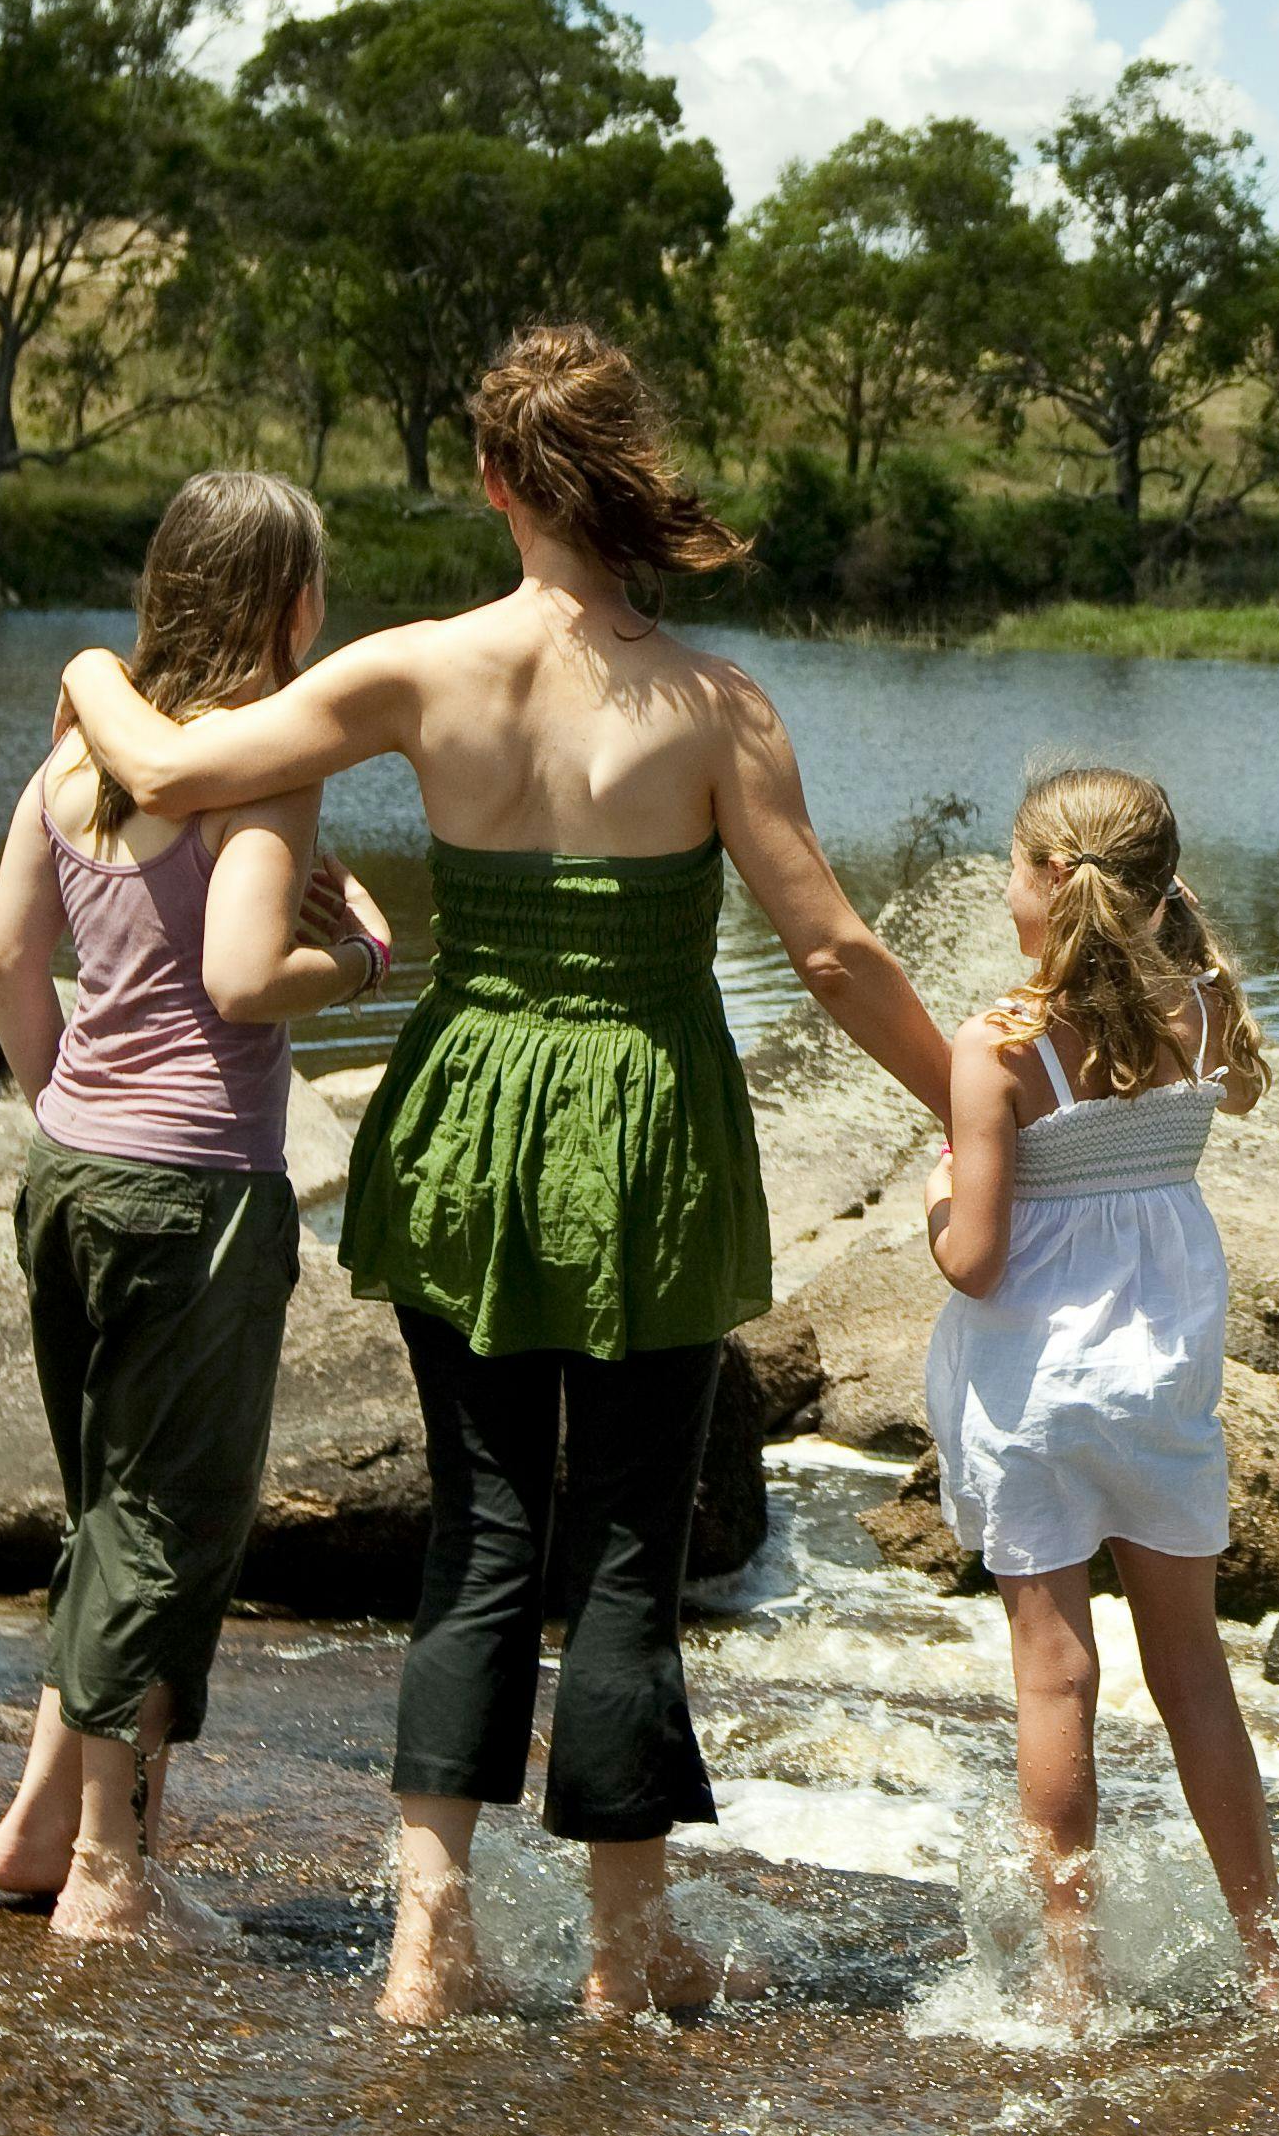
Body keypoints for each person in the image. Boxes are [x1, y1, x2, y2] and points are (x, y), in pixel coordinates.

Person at [59, 325, 949, 2026]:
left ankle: (424, 1942)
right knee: (621, 1542)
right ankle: (627, 1957)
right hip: (643, 1128)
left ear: (490, 481)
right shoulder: (713, 703)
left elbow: (161, 769)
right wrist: (976, 1113)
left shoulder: (415, 668)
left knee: (478, 1532)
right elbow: (829, 953)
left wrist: (93, 664)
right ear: (630, 477)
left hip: (469, 1113)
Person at [0, 469, 393, 1944]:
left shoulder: (76, 762)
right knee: (165, 1527)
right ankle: (108, 1875)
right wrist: (361, 967)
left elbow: (6, 960)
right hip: (198, 1188)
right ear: (290, 604)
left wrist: (63, 1113)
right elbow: (239, 978)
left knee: (104, 1508)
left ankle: (37, 1827)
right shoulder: (262, 766)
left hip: (73, 1174)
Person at [924, 764, 1279, 2023]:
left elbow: (973, 1258)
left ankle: (1070, 1981)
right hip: (1163, 1380)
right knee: (1193, 1667)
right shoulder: (1200, 1010)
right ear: (1160, 890)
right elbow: (1240, 1089)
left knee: (1056, 1674)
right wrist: (1174, 929)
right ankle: (1270, 1958)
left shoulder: (1000, 1045)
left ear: (1034, 882)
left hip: (1036, 1388)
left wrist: (934, 1199)